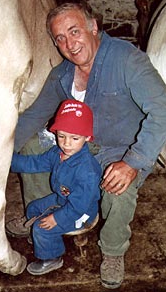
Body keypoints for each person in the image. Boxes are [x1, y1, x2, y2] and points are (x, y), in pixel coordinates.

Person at [6, 2, 166, 289]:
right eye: (59, 38)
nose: (68, 44)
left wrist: (133, 162)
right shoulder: (62, 74)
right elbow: (34, 116)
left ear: (93, 27)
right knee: (32, 146)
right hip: (77, 148)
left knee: (118, 188)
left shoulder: (126, 59)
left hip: (119, 151)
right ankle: (43, 214)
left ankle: (112, 250)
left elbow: (165, 110)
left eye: (74, 31)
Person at [11, 99, 102, 275]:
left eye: (75, 138)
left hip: (82, 212)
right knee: (34, 207)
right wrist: (7, 160)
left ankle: (52, 258)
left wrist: (56, 219)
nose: (67, 143)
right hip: (62, 199)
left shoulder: (87, 171)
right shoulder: (58, 153)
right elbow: (34, 163)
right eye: (61, 136)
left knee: (41, 228)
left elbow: (79, 206)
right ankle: (42, 238)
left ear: (87, 137)